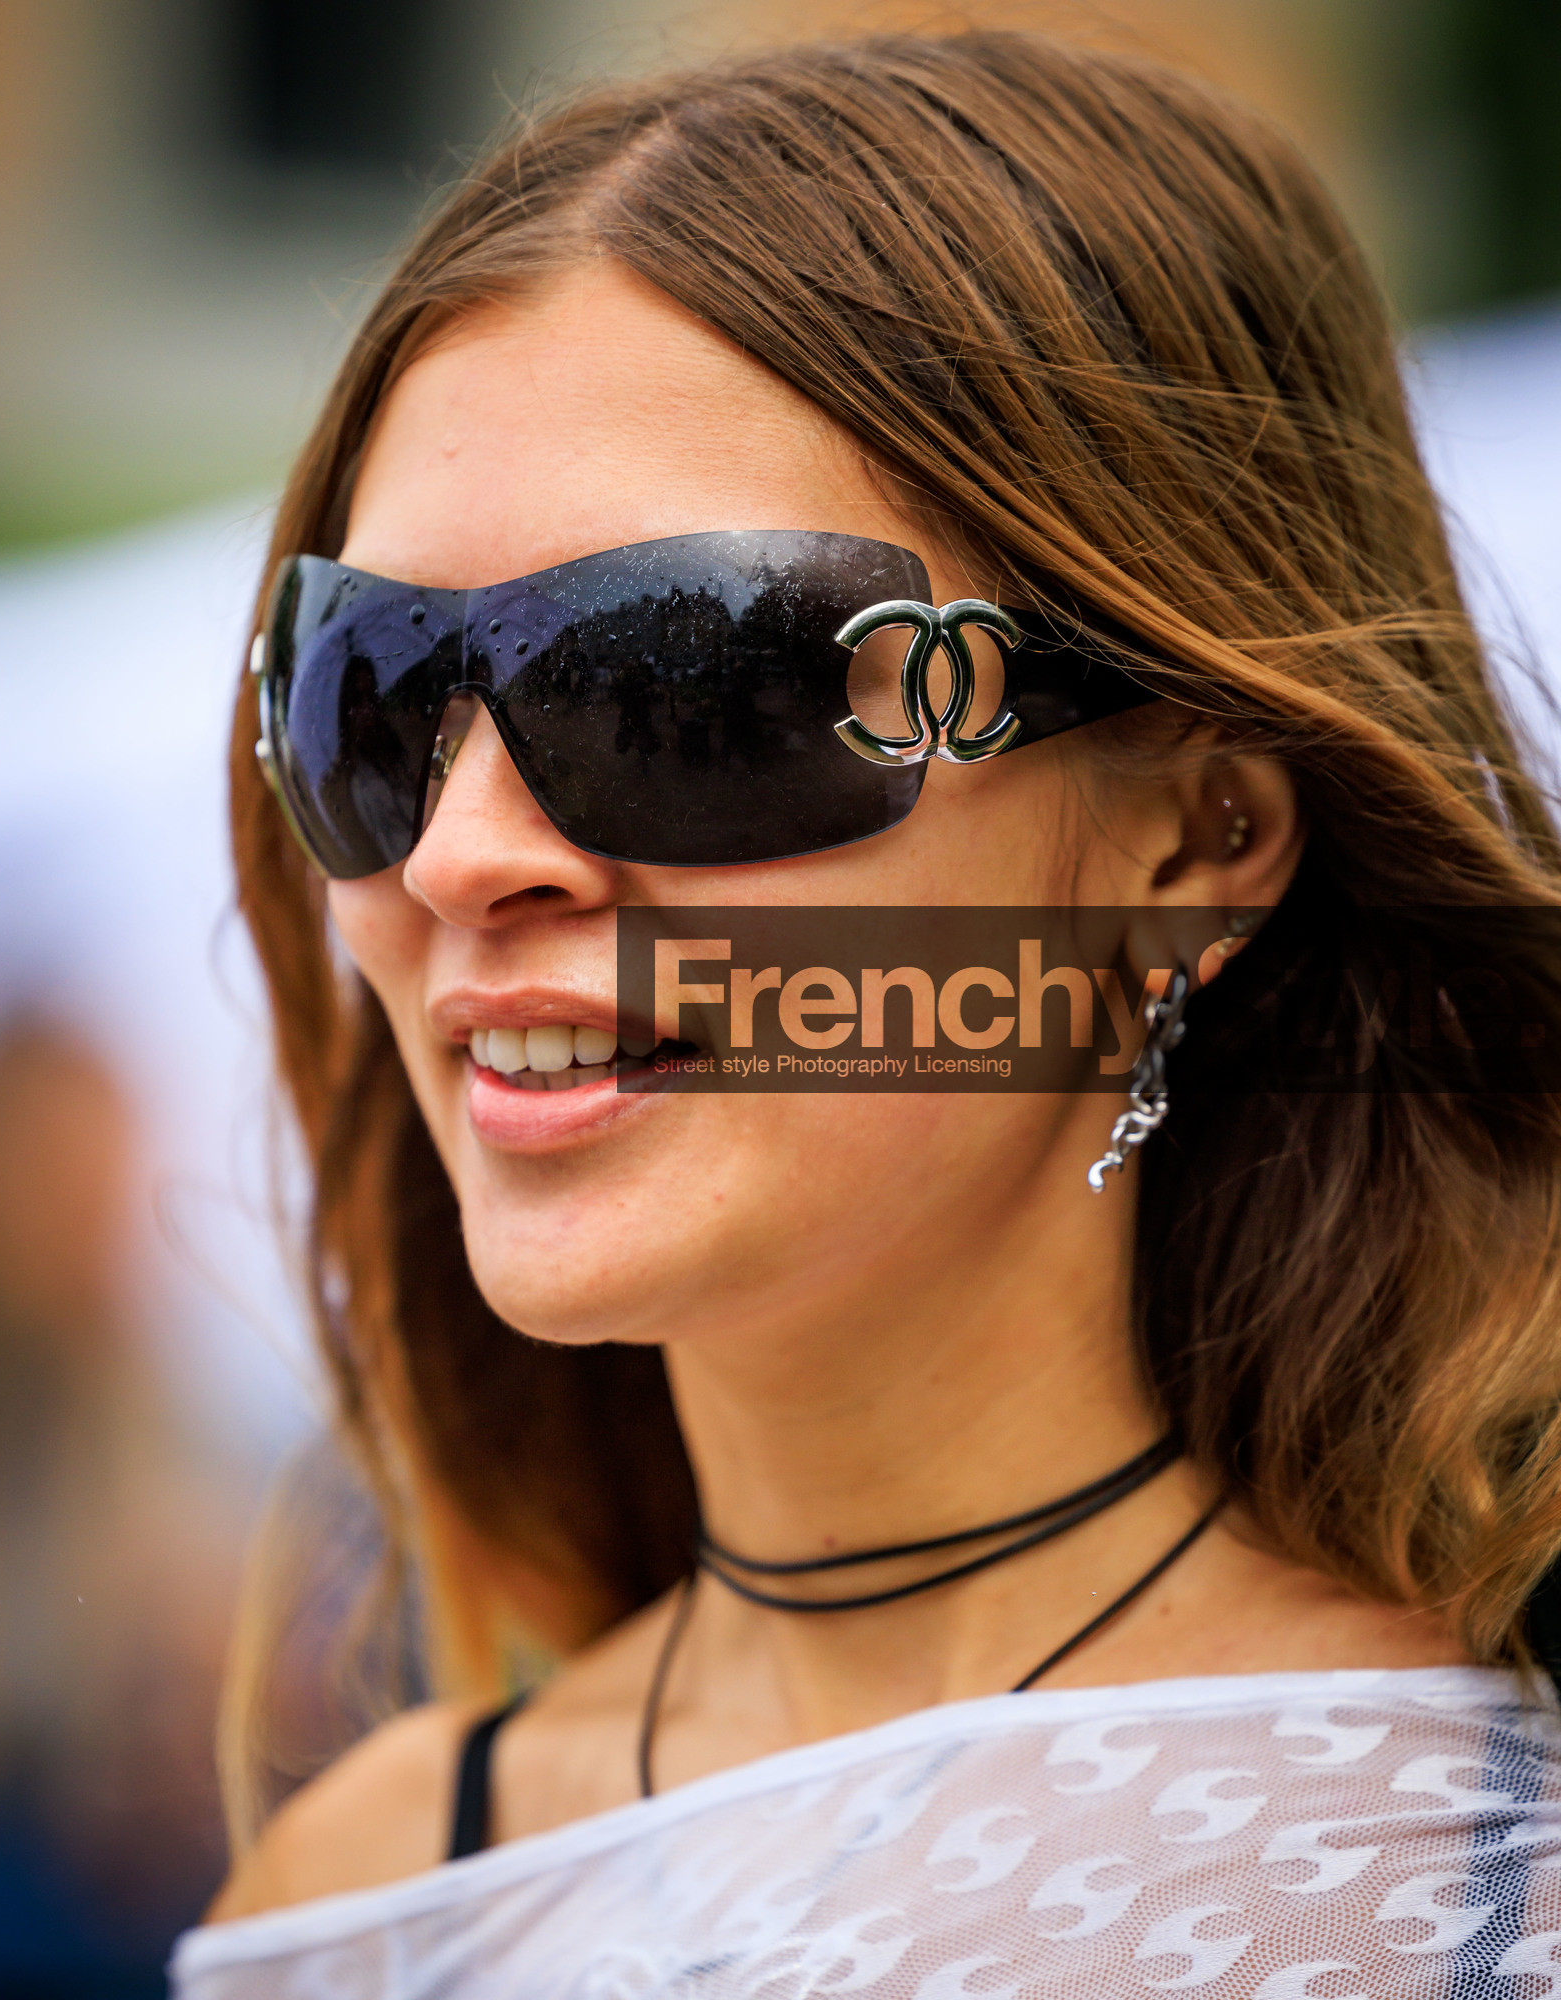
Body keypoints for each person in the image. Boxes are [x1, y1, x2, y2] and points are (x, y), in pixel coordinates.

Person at [173, 30, 1561, 1997]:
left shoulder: (1480, 1880)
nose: (466, 854)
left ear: (1196, 838)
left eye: (689, 692)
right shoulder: (352, 1904)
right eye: (367, 702)